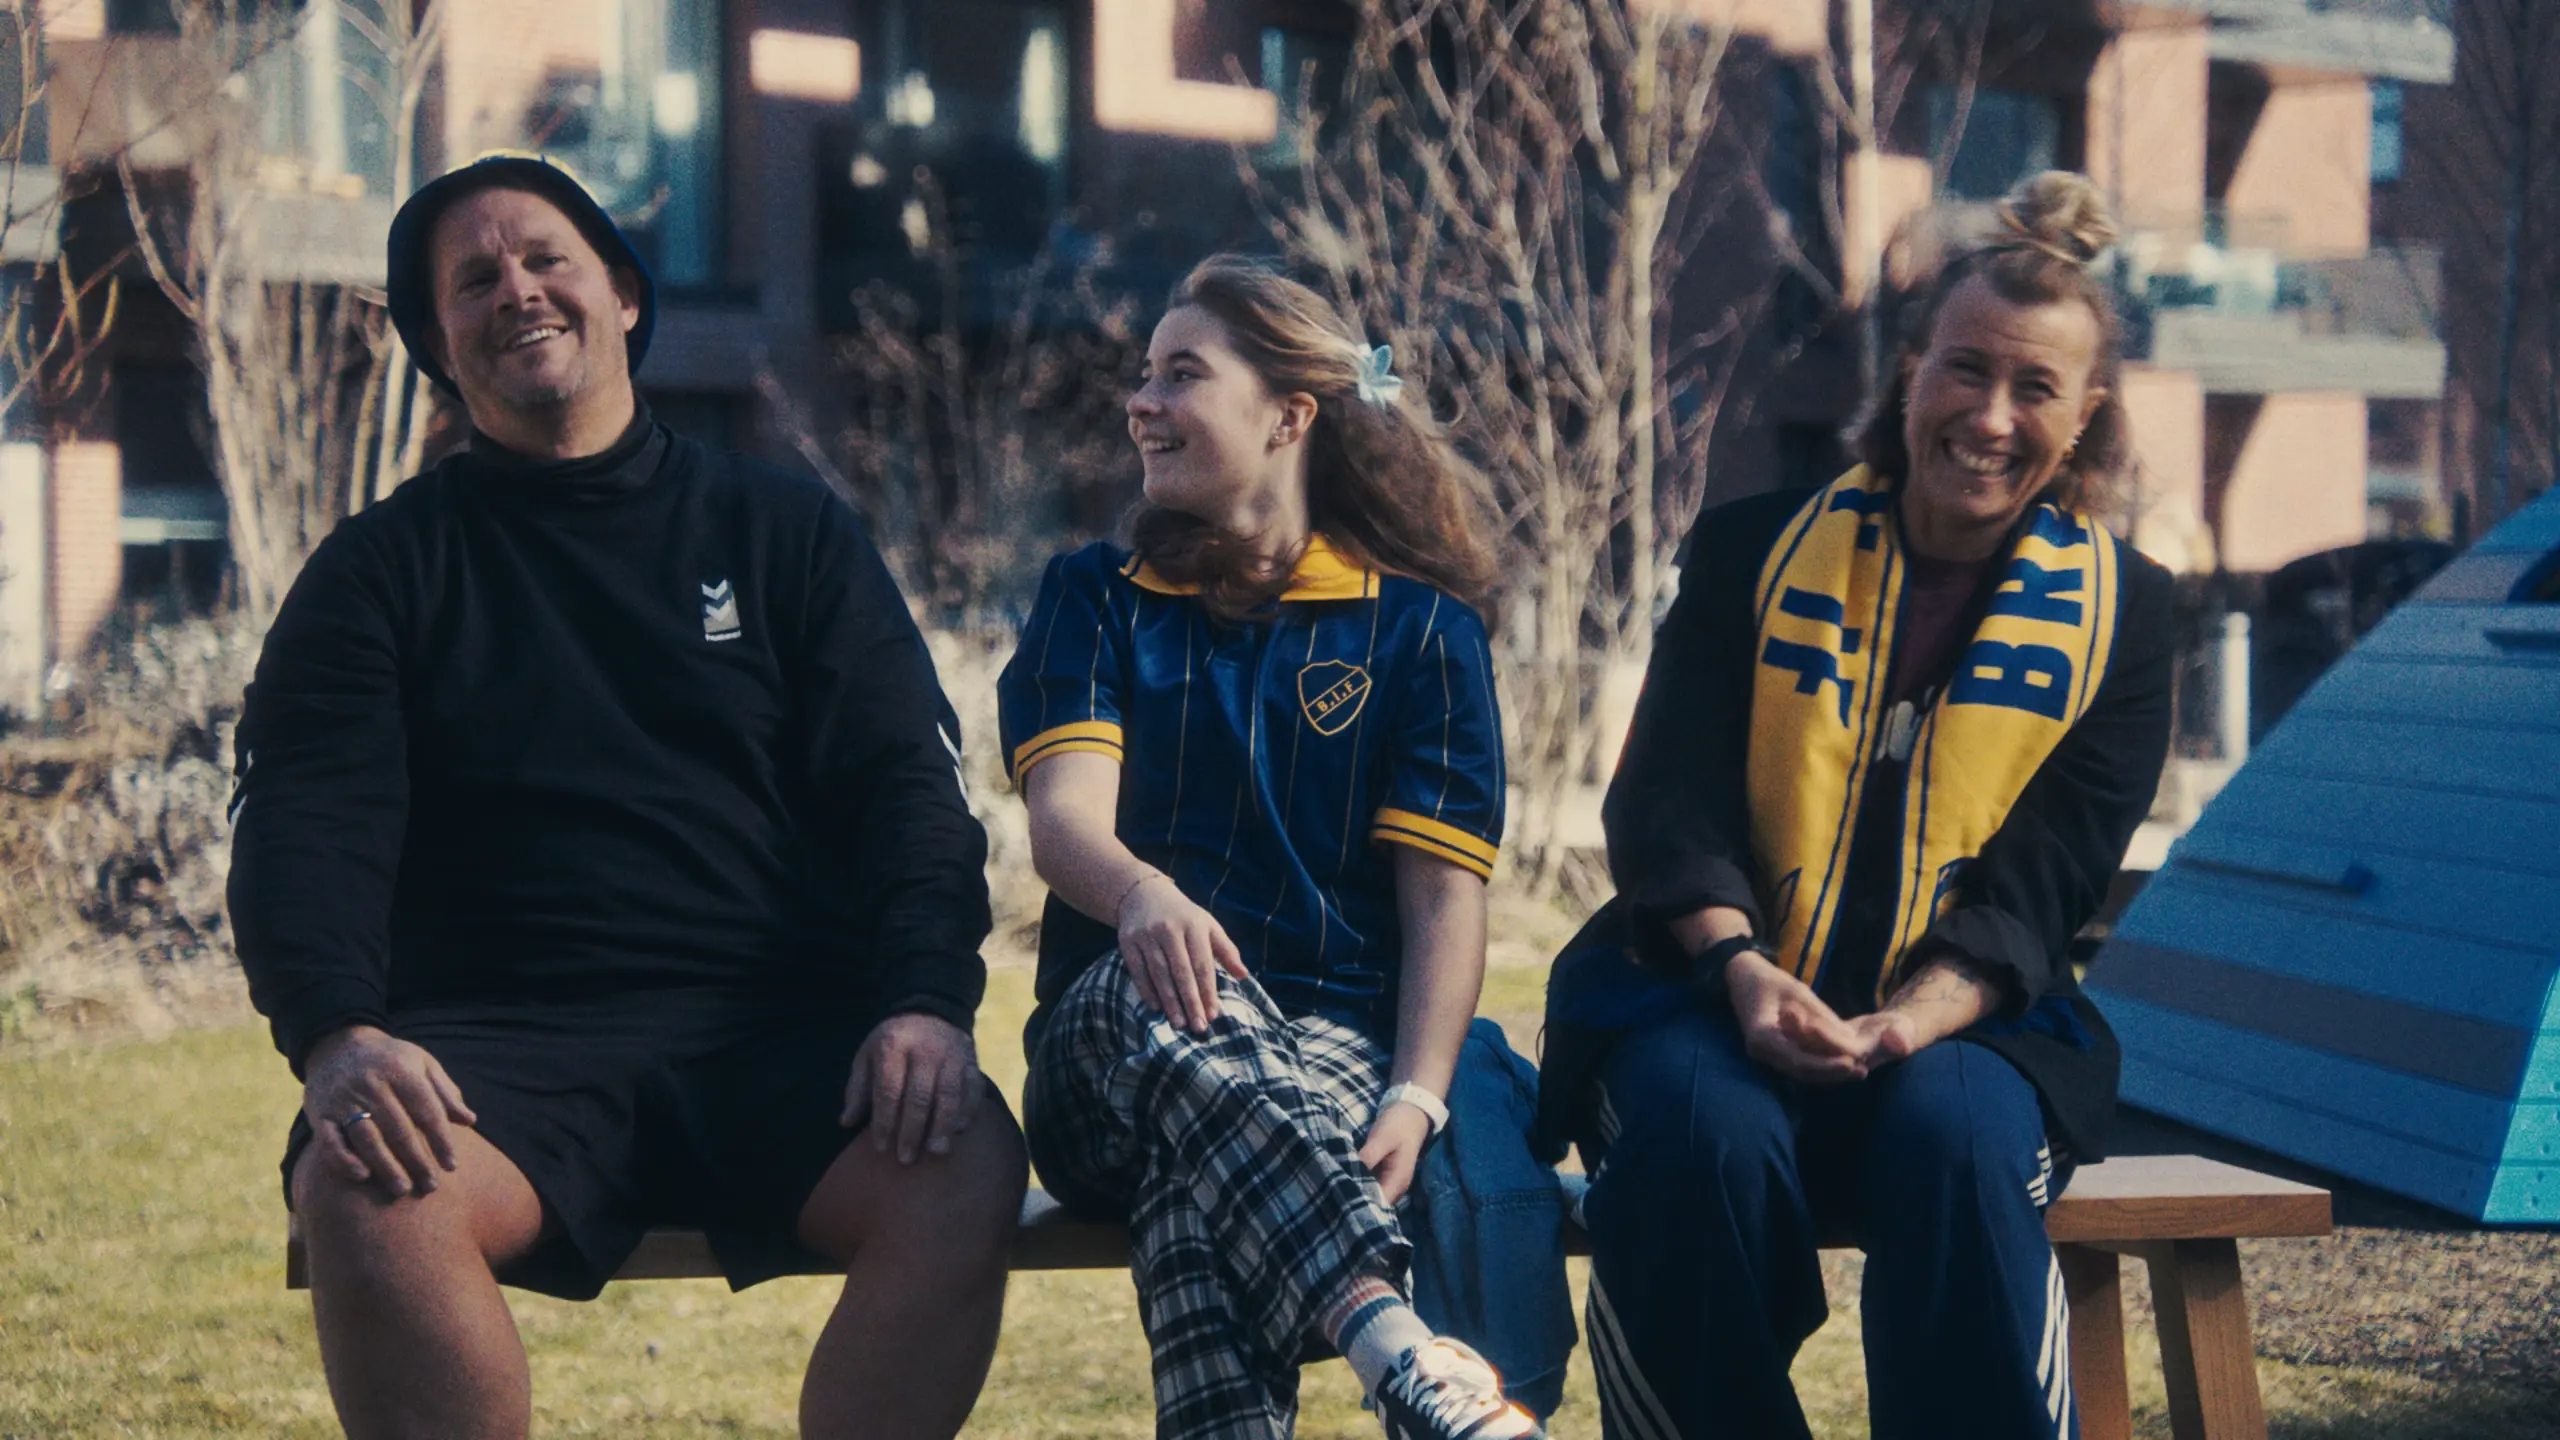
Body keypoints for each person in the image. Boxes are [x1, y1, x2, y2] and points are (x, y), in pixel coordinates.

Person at [229, 155, 1027, 1440]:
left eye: (547, 258)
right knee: (364, 1181)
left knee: (961, 1153)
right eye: (474, 281)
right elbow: (302, 828)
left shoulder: (786, 533)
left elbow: (904, 791)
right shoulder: (377, 573)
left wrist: (925, 1001)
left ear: (625, 295)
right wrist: (337, 1037)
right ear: (439, 348)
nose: (517, 290)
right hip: (495, 1052)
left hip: (780, 1033)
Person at [1539, 172, 2176, 1440]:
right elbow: (1666, 803)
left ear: (2084, 418)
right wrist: (1739, 970)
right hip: (1702, 994)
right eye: (1965, 370)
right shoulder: (1750, 550)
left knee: (1957, 1141)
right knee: (1698, 1132)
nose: (1989, 417)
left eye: (2034, 388)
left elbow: (2045, 884)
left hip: (1968, 1025)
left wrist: (1904, 1025)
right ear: (1909, 373)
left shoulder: (2127, 614)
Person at [998, 256, 1545, 1440]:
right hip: (1107, 1059)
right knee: (1163, 994)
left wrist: (1417, 1095)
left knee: (1198, 1186)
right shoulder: (1094, 596)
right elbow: (1061, 822)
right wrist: (1140, 898)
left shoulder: (1422, 633)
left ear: (1289, 416)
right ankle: (1395, 1346)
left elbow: (1442, 904)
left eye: (1180, 375)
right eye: (1144, 375)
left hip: (1325, 1061)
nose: (1141, 402)